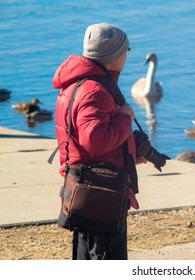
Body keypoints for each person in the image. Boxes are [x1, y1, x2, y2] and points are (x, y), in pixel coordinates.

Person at [52, 23, 147, 260]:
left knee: (88, 256)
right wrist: (125, 117)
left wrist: (131, 153)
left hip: (86, 187)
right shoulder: (95, 90)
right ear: (114, 58)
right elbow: (95, 141)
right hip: (101, 191)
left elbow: (86, 144)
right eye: (126, 50)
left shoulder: (79, 84)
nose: (127, 55)